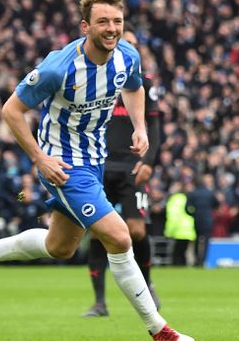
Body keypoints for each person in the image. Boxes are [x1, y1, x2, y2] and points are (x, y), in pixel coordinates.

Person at [0, 0, 192, 341]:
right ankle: (160, 330)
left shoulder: (127, 55)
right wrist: (39, 158)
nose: (111, 28)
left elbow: (136, 87)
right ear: (85, 27)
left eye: (117, 21)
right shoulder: (58, 67)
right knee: (119, 236)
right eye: (102, 22)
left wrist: (141, 127)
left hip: (95, 160)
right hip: (63, 164)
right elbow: (11, 110)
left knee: (60, 247)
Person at [84, 25, 162, 318]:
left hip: (132, 167)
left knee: (136, 230)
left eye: (131, 43)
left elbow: (154, 125)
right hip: (99, 165)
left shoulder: (143, 82)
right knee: (96, 233)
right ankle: (99, 302)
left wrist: (149, 162)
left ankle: (148, 283)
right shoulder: (95, 78)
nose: (125, 47)